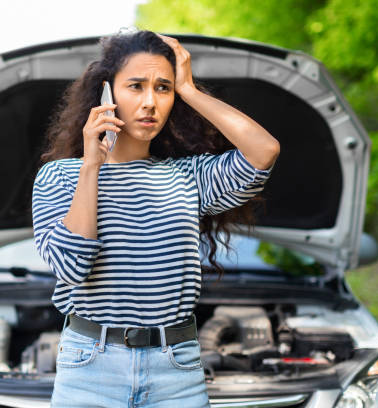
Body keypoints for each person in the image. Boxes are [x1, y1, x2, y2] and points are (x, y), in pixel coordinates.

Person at [32, 29, 279, 408]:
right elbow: (71, 266)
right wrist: (91, 166)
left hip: (176, 368)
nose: (150, 102)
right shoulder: (60, 177)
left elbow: (264, 151)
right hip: (89, 368)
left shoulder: (188, 176)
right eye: (136, 86)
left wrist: (191, 90)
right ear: (106, 92)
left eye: (163, 88)